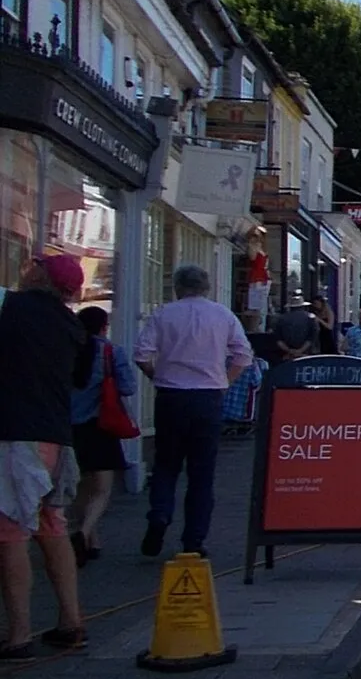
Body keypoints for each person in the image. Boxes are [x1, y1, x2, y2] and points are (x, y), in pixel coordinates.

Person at [0, 256, 94, 656]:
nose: (25, 269)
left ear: (39, 277)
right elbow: (80, 379)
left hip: (15, 435)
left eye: (31, 266)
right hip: (57, 438)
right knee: (51, 525)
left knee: (9, 533)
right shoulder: (73, 327)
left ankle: (19, 634)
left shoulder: (10, 306)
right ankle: (71, 621)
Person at [135, 265, 254, 558]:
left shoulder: (164, 313)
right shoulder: (223, 315)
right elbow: (243, 354)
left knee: (166, 464)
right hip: (208, 397)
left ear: (177, 286)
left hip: (171, 395)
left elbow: (141, 354)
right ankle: (194, 540)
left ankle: (160, 514)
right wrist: (226, 382)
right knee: (202, 472)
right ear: (207, 287)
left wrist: (156, 375)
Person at [68, 305, 137, 565]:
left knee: (80, 486)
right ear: (103, 326)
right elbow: (128, 387)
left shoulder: (68, 351)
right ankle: (83, 533)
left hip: (68, 427)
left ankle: (90, 540)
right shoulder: (110, 351)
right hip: (100, 426)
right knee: (102, 490)